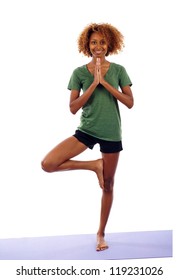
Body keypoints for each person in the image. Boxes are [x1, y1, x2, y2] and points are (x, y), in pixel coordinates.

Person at [41, 23, 134, 251]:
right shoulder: (79, 73)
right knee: (48, 163)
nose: (98, 46)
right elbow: (72, 108)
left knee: (109, 185)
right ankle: (94, 165)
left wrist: (106, 83)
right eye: (94, 42)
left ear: (109, 44)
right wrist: (93, 84)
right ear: (87, 45)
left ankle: (101, 233)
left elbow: (130, 102)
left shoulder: (119, 70)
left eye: (102, 42)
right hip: (87, 130)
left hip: (111, 131)